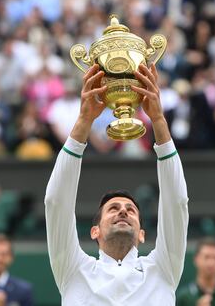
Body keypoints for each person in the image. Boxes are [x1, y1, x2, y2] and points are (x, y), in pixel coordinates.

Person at [44, 63, 189, 304]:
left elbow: (177, 203)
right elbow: (56, 202)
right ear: (95, 231)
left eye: (131, 210)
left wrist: (158, 120)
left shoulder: (163, 268)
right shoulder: (72, 269)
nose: (123, 210)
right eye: (113, 208)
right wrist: (83, 121)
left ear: (142, 234)